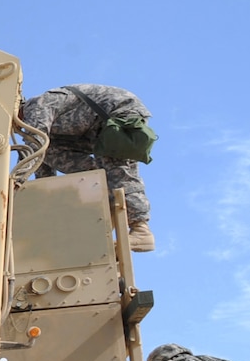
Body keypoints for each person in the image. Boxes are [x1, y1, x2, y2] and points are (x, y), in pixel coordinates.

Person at [19, 84, 157, 252]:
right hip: (93, 129)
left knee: (117, 170)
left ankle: (141, 229)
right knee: (51, 152)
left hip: (117, 115)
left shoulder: (36, 106)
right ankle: (99, 187)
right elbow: (42, 161)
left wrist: (16, 182)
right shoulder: (37, 125)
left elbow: (35, 144)